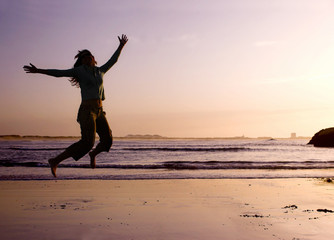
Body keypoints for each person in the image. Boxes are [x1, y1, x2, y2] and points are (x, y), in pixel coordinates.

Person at [23, 34, 128, 177]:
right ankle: (55, 161)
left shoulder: (100, 71)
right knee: (87, 142)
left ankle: (93, 154)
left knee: (108, 140)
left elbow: (113, 60)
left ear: (93, 58)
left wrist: (121, 45)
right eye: (84, 57)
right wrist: (39, 70)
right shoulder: (79, 71)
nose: (87, 57)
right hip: (87, 111)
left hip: (99, 110)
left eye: (89, 55)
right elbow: (59, 73)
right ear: (81, 61)